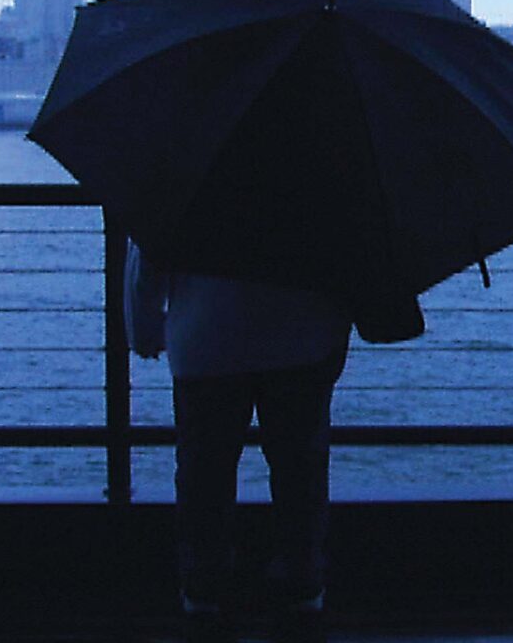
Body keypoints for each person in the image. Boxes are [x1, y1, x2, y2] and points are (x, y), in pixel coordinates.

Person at [124, 240, 352, 642]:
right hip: (301, 335)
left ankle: (203, 594)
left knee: (204, 474)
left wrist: (143, 327)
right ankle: (302, 590)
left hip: (205, 336)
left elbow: (150, 243)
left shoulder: (184, 195)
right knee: (300, 471)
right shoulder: (314, 195)